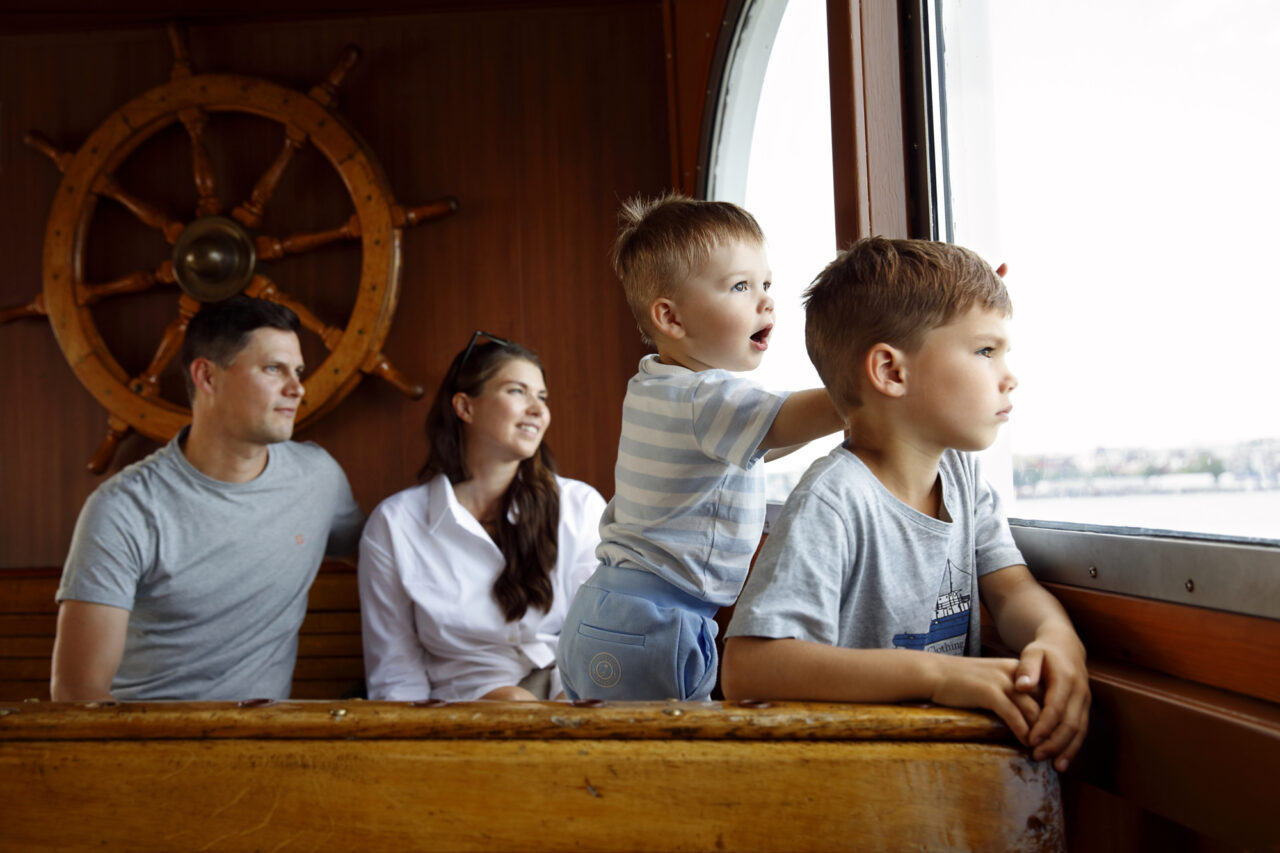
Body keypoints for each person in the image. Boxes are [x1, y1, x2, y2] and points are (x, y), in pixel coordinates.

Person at [721, 237, 1089, 771]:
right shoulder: (835, 499)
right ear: (892, 372)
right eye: (986, 351)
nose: (1010, 375)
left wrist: (1058, 641)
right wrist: (940, 677)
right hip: (854, 787)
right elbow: (749, 668)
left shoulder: (960, 475)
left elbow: (1011, 592)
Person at [556, 193, 846, 702]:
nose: (765, 301)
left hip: (618, 614)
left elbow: (761, 443)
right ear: (671, 319)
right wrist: (884, 383)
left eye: (766, 284)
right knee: (669, 773)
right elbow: (790, 418)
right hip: (654, 627)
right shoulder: (706, 398)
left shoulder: (660, 384)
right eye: (739, 286)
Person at [51, 296, 365, 701]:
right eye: (273, 369)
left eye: (298, 371)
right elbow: (79, 692)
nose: (297, 388)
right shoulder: (123, 510)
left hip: (264, 747)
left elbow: (387, 556)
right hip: (144, 745)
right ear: (207, 377)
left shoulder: (318, 477)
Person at [358, 332, 606, 701]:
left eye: (542, 396)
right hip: (463, 704)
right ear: (465, 407)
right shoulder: (395, 524)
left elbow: (595, 633)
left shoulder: (580, 505)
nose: (538, 410)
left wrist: (568, 703)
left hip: (566, 687)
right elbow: (395, 669)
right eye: (517, 391)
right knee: (512, 705)